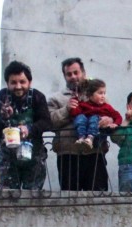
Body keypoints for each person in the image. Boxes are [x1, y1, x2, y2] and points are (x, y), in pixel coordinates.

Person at [48, 57, 110, 191]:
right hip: (68, 155)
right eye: (69, 74)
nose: (73, 77)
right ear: (64, 76)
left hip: (94, 153)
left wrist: (108, 120)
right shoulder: (56, 99)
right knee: (70, 200)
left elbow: (109, 113)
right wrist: (66, 110)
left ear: (83, 73)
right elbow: (50, 123)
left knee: (97, 198)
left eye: (76, 72)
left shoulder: (97, 94)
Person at [0, 61, 51, 193]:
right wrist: (5, 117)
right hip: (8, 155)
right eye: (13, 82)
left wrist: (29, 129)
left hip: (34, 155)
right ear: (7, 83)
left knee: (32, 196)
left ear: (29, 82)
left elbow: (47, 122)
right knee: (6, 195)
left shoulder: (37, 96)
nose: (18, 86)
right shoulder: (1, 97)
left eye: (22, 82)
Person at [70, 78, 122, 148]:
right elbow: (74, 113)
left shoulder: (106, 106)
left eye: (104, 93)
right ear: (90, 95)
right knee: (80, 117)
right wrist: (75, 98)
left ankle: (90, 138)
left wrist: (115, 123)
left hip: (98, 134)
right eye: (100, 93)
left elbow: (118, 116)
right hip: (86, 128)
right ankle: (81, 137)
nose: (103, 96)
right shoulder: (84, 104)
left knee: (94, 117)